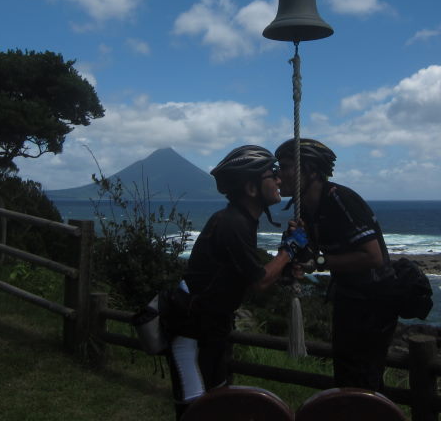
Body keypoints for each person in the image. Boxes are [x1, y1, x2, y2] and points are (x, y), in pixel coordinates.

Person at [164, 145, 308, 420]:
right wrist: (287, 252)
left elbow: (246, 274)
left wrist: (285, 264)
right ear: (252, 189)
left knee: (215, 405)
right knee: (195, 412)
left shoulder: (240, 220)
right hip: (192, 332)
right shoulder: (233, 224)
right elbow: (259, 282)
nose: (279, 181)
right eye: (272, 175)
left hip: (210, 329)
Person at [275, 137, 397, 392]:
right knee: (346, 375)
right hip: (349, 298)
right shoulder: (307, 207)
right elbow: (314, 253)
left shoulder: (340, 199)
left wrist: (317, 262)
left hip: (373, 303)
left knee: (363, 379)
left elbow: (373, 257)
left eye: (285, 166)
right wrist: (300, 249)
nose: (280, 173)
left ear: (309, 170)